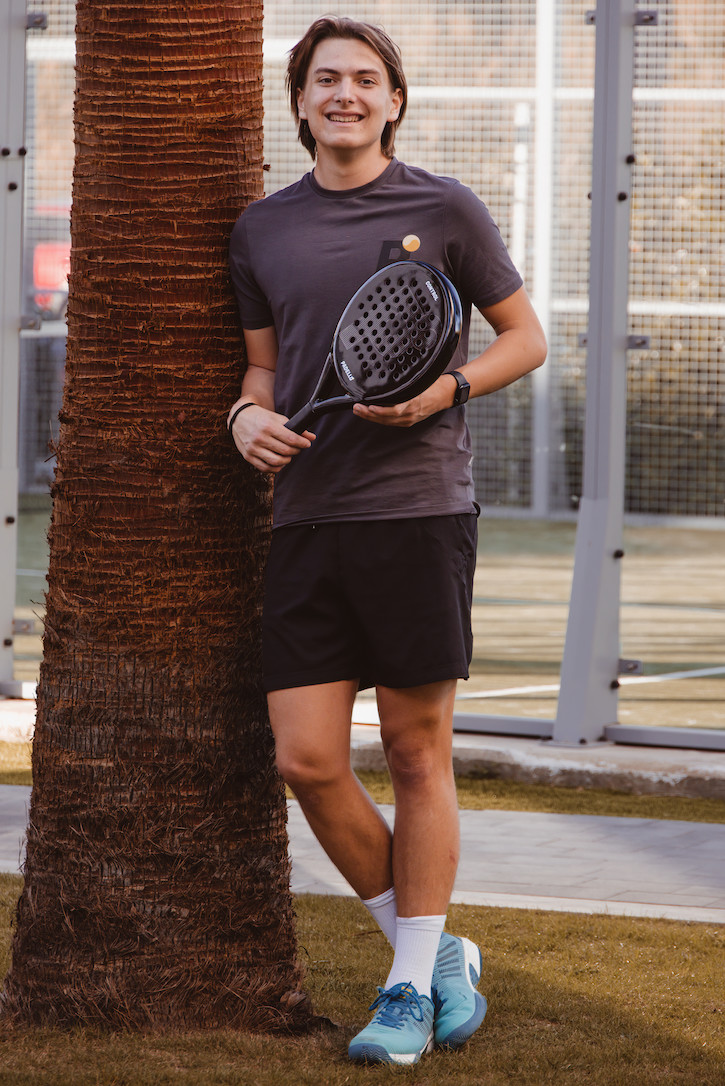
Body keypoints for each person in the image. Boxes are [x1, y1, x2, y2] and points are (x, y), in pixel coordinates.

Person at [227, 15, 546, 1067]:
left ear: (394, 100)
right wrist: (244, 422)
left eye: (365, 80)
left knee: (415, 750)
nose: (346, 95)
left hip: (416, 514)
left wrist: (446, 391)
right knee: (306, 759)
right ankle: (432, 954)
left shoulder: (442, 207)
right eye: (326, 80)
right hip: (307, 520)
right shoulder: (262, 228)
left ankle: (404, 988)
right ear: (301, 101)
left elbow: (523, 338)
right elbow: (264, 376)